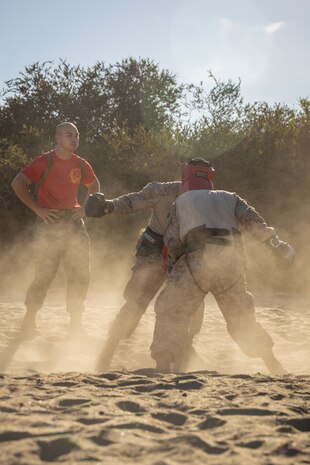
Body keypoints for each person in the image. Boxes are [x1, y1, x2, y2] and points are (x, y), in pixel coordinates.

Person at [150, 158, 295, 374]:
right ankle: (273, 364)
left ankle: (163, 367)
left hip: (195, 261)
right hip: (231, 261)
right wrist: (275, 246)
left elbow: (172, 241)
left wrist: (174, 272)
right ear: (210, 177)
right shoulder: (231, 198)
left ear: (186, 177)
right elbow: (255, 223)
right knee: (241, 318)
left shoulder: (181, 202)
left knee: (170, 311)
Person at [85, 181, 205, 371]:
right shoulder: (164, 191)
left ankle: (186, 348)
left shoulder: (210, 199)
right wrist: (108, 206)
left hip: (182, 255)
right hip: (153, 252)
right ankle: (107, 352)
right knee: (136, 302)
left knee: (194, 303)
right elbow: (133, 201)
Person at [11, 122, 100, 337]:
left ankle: (75, 323)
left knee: (80, 274)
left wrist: (85, 209)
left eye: (77, 135)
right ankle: (29, 319)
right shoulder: (44, 161)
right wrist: (37, 209)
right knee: (44, 274)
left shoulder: (81, 164)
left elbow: (94, 185)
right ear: (57, 139)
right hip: (49, 222)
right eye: (69, 135)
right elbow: (18, 183)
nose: (75, 138)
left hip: (74, 221)